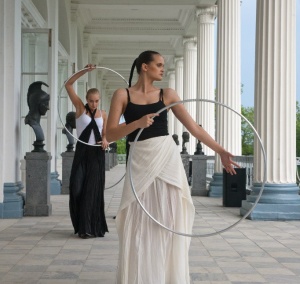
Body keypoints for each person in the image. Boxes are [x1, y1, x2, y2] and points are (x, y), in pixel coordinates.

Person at [106, 50, 239, 283]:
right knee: (138, 222)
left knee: (168, 219)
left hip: (166, 158)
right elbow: (110, 133)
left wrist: (221, 151)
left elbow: (194, 128)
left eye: (163, 65)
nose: (162, 68)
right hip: (139, 159)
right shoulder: (122, 94)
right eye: (158, 64)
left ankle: (167, 277)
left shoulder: (167, 94)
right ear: (144, 67)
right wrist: (136, 123)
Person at [65, 64, 109, 239]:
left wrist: (105, 140)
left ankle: (88, 228)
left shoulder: (103, 114)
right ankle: (81, 223)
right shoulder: (80, 109)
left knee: (92, 191)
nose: (94, 103)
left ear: (99, 100)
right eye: (91, 100)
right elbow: (68, 84)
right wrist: (84, 71)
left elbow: (105, 133)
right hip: (81, 153)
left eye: (97, 100)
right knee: (76, 188)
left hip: (97, 155)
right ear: (86, 99)